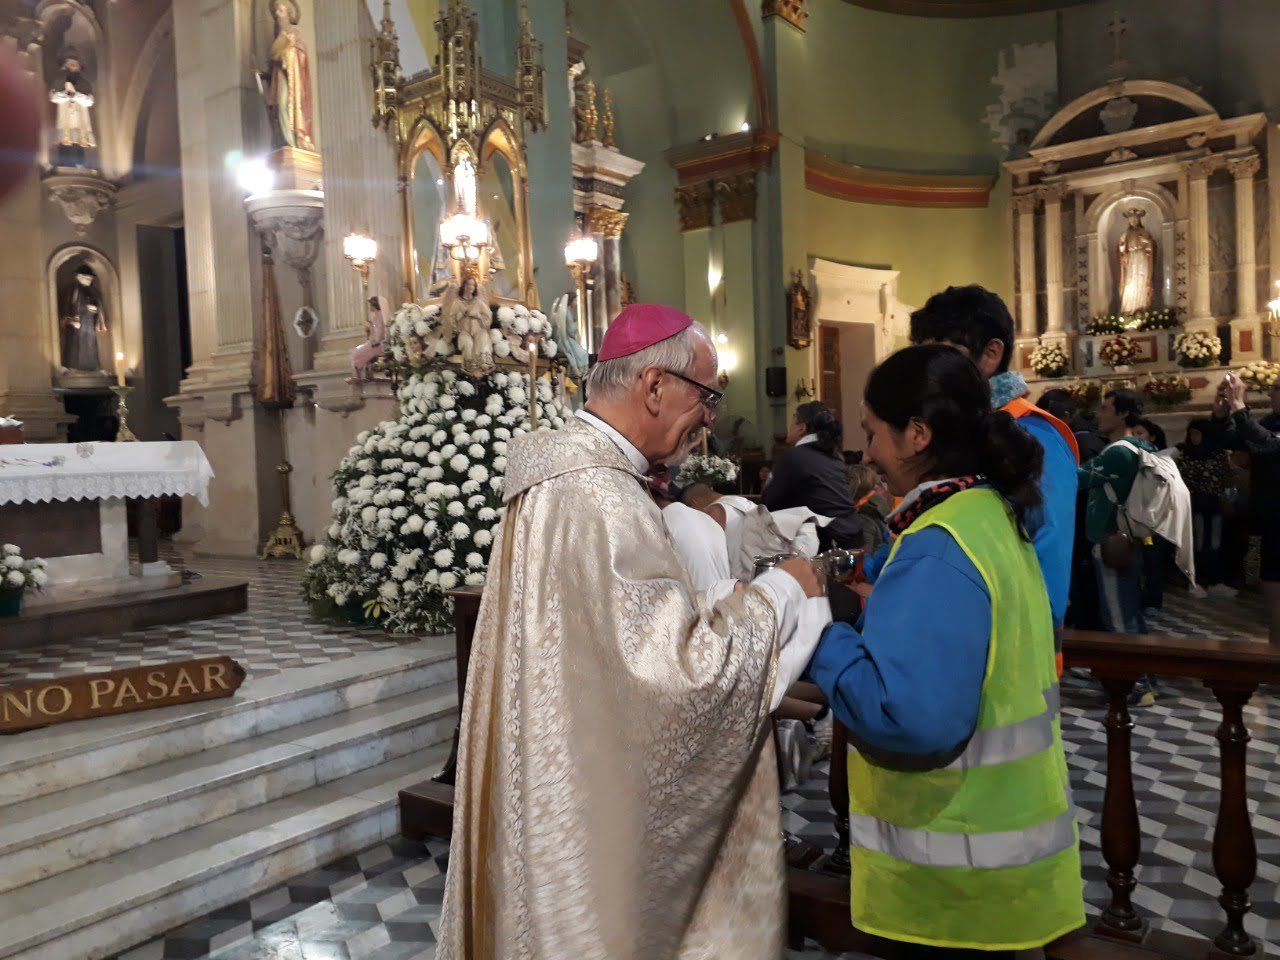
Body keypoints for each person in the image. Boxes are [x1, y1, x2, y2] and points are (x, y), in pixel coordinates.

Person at [436, 303, 830, 960]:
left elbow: (603, 634)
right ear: (654, 386)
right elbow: (679, 685)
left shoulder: (558, 482)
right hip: (594, 808)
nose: (710, 417)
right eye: (706, 397)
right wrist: (783, 588)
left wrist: (704, 600)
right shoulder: (602, 497)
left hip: (570, 774)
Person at [808, 345, 1084, 957]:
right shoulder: (987, 512)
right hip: (1000, 866)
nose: (870, 454)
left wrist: (819, 629)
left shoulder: (940, 544)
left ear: (917, 435)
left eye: (874, 434)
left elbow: (907, 718)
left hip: (956, 881)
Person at [910, 285, 1079, 667]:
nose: (927, 371)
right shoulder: (959, 429)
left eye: (941, 355)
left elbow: (1046, 561)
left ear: (991, 354)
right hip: (951, 639)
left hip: (1009, 655)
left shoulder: (1034, 435)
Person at [1078, 388, 1158, 703]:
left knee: (1118, 616)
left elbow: (1080, 478)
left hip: (1112, 540)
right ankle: (1143, 677)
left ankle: (1136, 685)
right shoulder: (1138, 446)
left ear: (1123, 414)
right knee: (1130, 612)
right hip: (1128, 540)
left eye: (1105, 407)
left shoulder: (1119, 452)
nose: (1098, 413)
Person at [1208, 374, 1280, 644]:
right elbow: (1233, 440)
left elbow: (1269, 445)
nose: (1270, 393)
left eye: (1275, 389)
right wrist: (1221, 415)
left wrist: (1240, 406)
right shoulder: (1272, 421)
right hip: (1272, 518)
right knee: (1272, 582)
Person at [763, 402, 864, 549]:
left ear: (802, 428)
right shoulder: (834, 457)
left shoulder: (795, 457)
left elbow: (769, 504)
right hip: (853, 540)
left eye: (792, 421)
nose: (788, 427)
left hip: (827, 548)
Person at [1177, 419, 1235, 597]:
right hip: (1194, 503)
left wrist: (1228, 497)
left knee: (1215, 541)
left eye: (1198, 433)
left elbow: (1226, 476)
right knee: (1198, 542)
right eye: (1192, 433)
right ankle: (1196, 582)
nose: (1194, 437)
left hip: (1214, 503)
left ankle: (1215, 580)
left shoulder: (1218, 454)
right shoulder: (1185, 454)